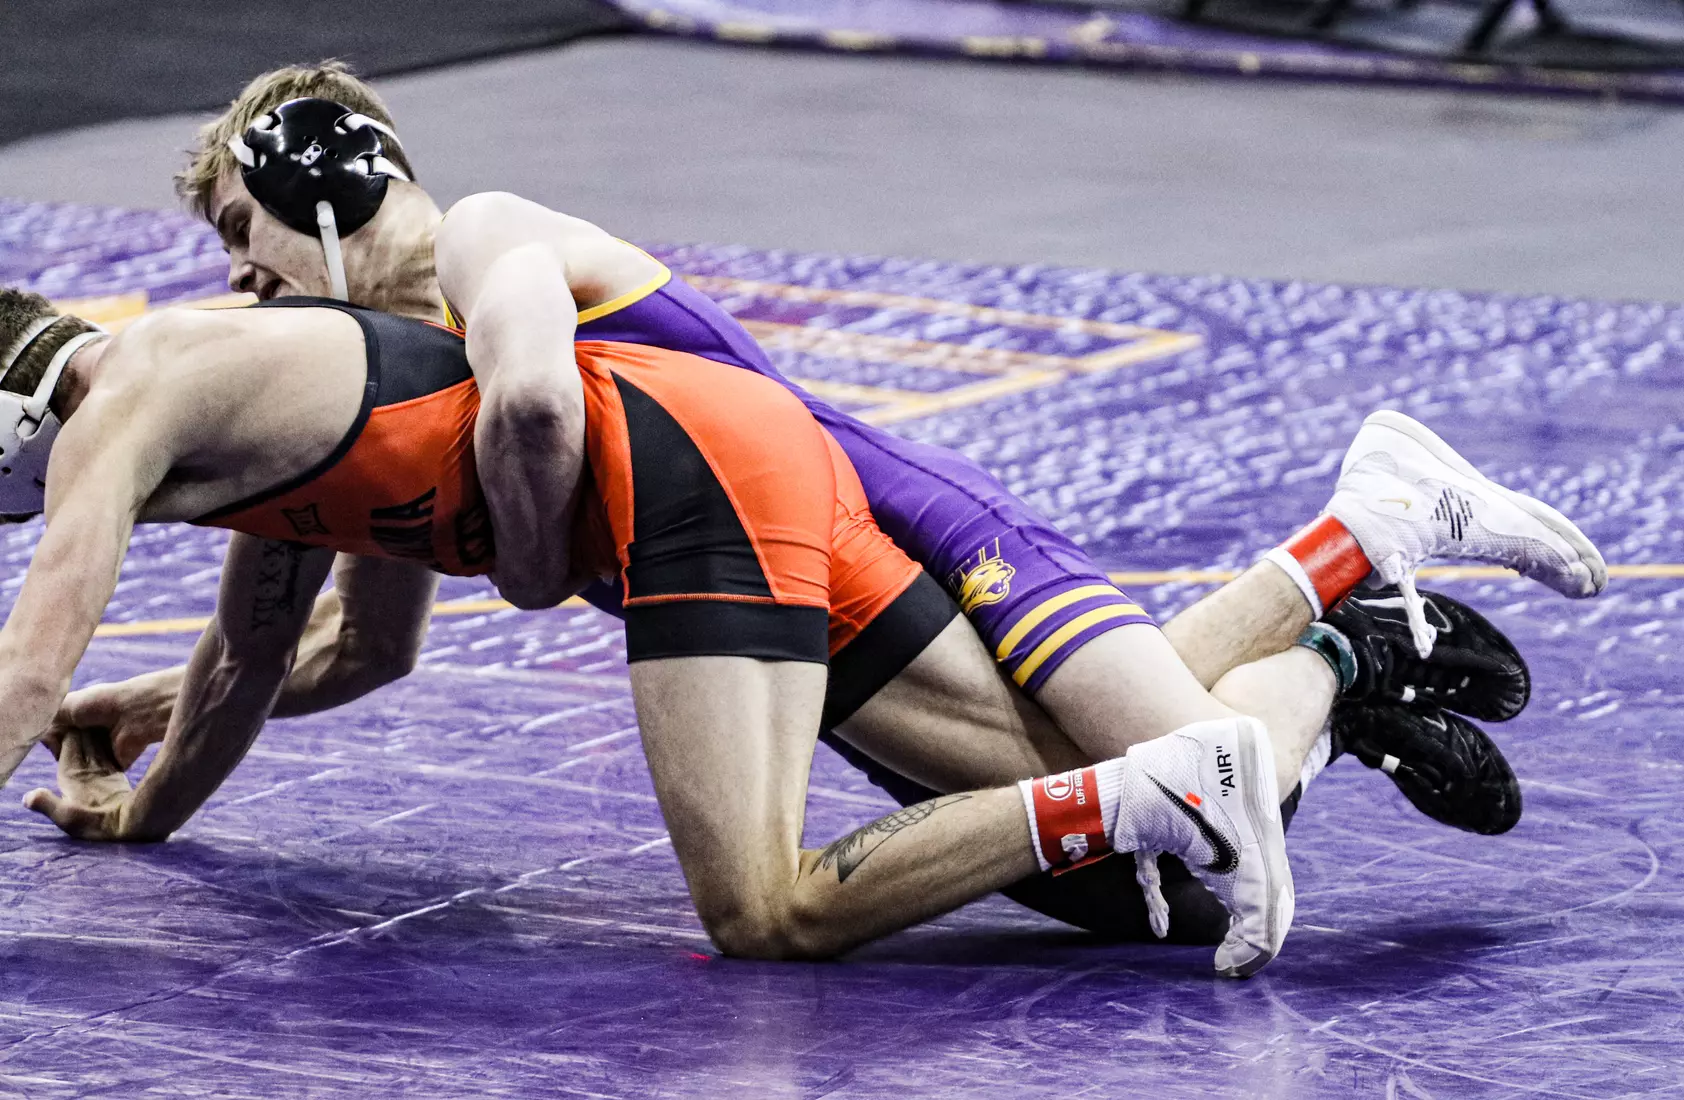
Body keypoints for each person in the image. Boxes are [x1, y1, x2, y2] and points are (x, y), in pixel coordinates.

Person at [53, 63, 1585, 939]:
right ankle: (1352, 630)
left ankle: (1355, 569)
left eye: (242, 227)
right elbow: (348, 646)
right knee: (1141, 861)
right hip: (772, 583)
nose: (236, 276)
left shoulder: (487, 243)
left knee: (1172, 768)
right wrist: (151, 709)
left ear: (321, 182)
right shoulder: (377, 359)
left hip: (880, 510)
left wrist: (526, 572)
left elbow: (531, 403)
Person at [0, 284, 1594, 978]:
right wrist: (135, 810)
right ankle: (1338, 618)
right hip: (725, 456)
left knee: (770, 913)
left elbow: (27, 657)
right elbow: (288, 659)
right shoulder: (244, 447)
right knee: (1100, 840)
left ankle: (1167, 780)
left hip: (684, 488)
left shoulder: (132, 398)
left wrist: (549, 558)